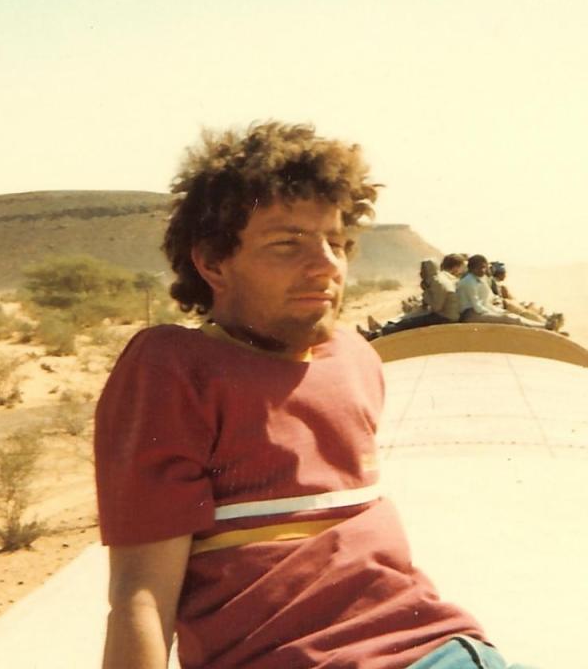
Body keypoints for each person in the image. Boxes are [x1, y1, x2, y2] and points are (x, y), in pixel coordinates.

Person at [95, 121, 526, 668]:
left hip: (450, 650)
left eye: (338, 243)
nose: (327, 265)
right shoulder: (175, 370)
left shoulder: (356, 358)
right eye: (287, 245)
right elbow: (141, 596)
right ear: (213, 263)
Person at [364, 253, 467, 339]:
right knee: (411, 318)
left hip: (445, 318)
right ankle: (380, 330)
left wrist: (425, 293)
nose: (421, 273)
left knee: (409, 323)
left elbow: (436, 307)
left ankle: (376, 335)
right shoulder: (439, 279)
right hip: (445, 315)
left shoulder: (438, 282)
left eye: (423, 270)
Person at [457, 254, 561, 331]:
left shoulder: (480, 279)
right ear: (471, 268)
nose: (483, 271)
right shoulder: (468, 282)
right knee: (508, 319)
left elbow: (486, 302)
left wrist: (498, 311)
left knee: (509, 315)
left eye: (484, 267)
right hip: (471, 314)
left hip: (481, 311)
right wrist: (496, 314)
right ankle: (544, 327)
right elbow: (477, 306)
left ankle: (544, 325)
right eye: (480, 268)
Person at [488, 262, 561, 331]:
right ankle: (545, 323)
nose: (506, 274)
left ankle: (544, 319)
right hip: (505, 306)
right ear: (500, 274)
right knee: (524, 313)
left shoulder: (496, 284)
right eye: (504, 272)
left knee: (527, 308)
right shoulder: (499, 286)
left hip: (508, 305)